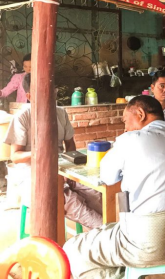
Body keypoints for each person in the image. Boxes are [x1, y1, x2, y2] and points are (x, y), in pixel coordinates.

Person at [64, 96, 165, 279]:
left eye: (126, 121)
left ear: (140, 114)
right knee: (110, 230)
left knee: (73, 248)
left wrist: (118, 147)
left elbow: (107, 177)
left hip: (148, 244)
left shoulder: (131, 139)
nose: (125, 127)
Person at [4, 73, 102, 228]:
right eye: (43, 92)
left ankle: (107, 231)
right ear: (29, 95)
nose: (50, 96)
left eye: (52, 91)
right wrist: (41, 154)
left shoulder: (61, 113)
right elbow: (15, 156)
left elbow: (70, 145)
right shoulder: (22, 117)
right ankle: (103, 230)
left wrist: (70, 171)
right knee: (69, 199)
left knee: (94, 191)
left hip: (61, 168)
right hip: (30, 174)